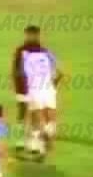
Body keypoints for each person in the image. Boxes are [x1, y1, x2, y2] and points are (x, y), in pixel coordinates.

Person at [12, 25, 62, 158]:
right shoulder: (22, 51)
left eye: (33, 35)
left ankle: (37, 143)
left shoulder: (43, 52)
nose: (31, 37)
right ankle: (22, 141)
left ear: (37, 35)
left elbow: (58, 71)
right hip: (25, 88)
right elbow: (16, 71)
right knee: (24, 113)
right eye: (29, 35)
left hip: (36, 89)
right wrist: (19, 88)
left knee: (37, 117)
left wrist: (52, 85)